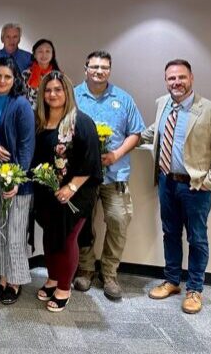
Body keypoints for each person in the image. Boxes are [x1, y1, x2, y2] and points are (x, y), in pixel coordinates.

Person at [141, 59, 211, 314]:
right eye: (171, 78)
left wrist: (209, 182)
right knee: (170, 233)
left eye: (181, 77)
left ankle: (194, 290)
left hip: (195, 187)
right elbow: (154, 131)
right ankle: (172, 281)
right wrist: (129, 137)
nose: (176, 82)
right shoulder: (162, 104)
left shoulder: (210, 110)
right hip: (166, 182)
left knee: (197, 239)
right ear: (165, 80)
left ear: (191, 78)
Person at [72, 50, 145, 300]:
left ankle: (110, 272)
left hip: (115, 175)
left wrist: (115, 154)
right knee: (82, 224)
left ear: (110, 71)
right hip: (82, 176)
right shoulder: (73, 96)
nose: (99, 71)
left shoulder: (123, 99)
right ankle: (85, 269)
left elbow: (136, 133)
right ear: (86, 69)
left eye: (104, 67)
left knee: (118, 221)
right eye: (94, 67)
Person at [32, 71, 102, 312]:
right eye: (48, 90)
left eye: (58, 90)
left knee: (67, 239)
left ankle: (64, 287)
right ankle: (52, 278)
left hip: (75, 194)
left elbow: (91, 161)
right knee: (50, 237)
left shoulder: (80, 122)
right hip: (47, 194)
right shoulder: (39, 121)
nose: (53, 94)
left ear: (67, 93)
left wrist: (71, 187)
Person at [0, 58, 35, 305]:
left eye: (7, 77)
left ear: (15, 80)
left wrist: (18, 178)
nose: (1, 81)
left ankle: (15, 282)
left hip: (16, 182)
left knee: (14, 232)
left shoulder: (21, 104)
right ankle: (2, 278)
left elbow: (26, 146)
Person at [22, 39, 60, 109]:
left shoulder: (58, 76)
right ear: (34, 55)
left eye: (47, 51)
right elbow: (21, 98)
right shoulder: (25, 74)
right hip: (30, 114)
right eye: (40, 51)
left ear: (52, 55)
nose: (44, 55)